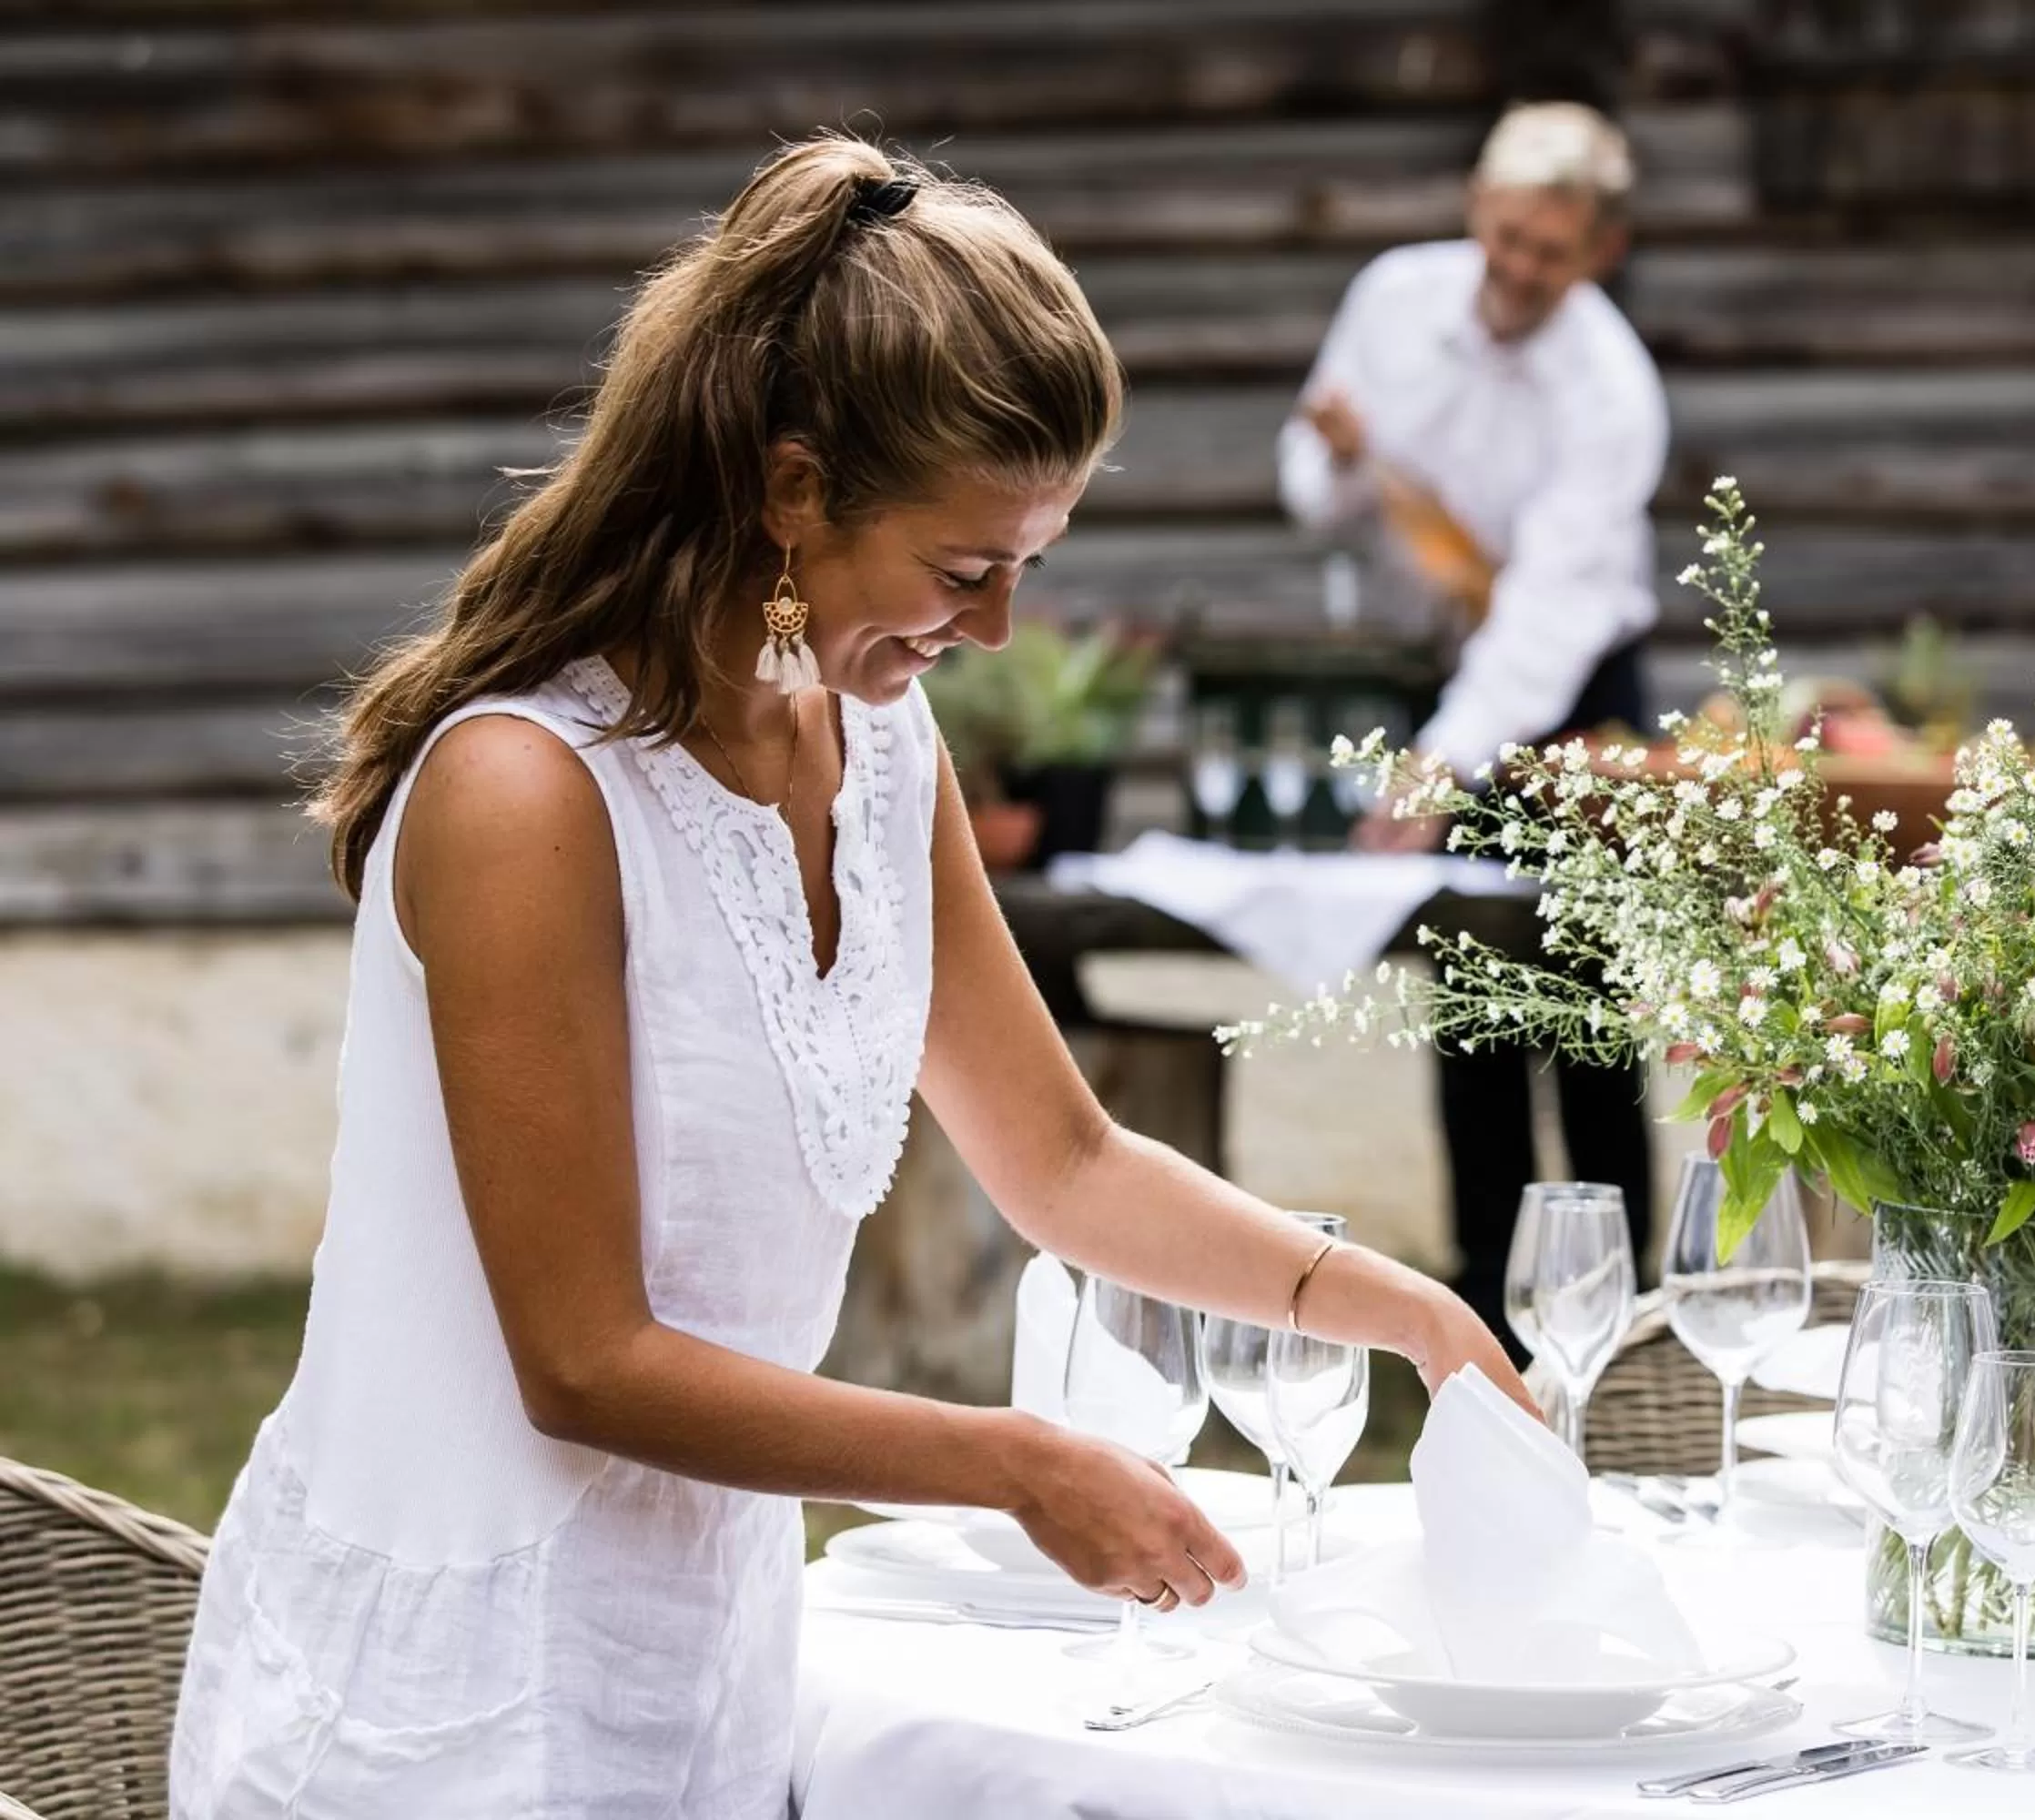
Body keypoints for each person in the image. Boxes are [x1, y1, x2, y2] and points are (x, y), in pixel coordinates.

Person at [167, 136, 1532, 1818]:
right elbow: (583, 1361)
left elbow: (1067, 1164)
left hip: (708, 1658)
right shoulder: (528, 794)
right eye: (966, 571)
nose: (1001, 628)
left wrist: (1403, 1310)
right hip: (448, 1698)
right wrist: (1012, 1466)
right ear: (794, 490)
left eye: (1032, 564)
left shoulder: (881, 751)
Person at [1276, 102, 1666, 1349]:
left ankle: (1617, 1328)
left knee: (1589, 1016)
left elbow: (1548, 616)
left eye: (1550, 251)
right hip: (1436, 680)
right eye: (1505, 236)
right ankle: (1484, 1324)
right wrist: (1343, 460)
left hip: (1579, 693)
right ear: (1476, 210)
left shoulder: (1613, 393)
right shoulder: (1393, 298)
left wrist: (1442, 765)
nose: (1518, 268)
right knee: (1471, 1010)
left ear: (1601, 251)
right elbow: (1312, 490)